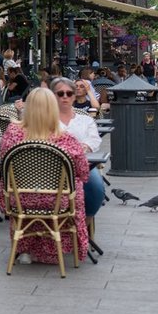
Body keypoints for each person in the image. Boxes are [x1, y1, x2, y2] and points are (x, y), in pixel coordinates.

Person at [0, 88, 90, 266]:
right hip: (57, 201)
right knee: (77, 185)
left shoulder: (12, 133)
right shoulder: (65, 139)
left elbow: (3, 164)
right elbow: (83, 171)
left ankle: (25, 249)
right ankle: (55, 249)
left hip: (20, 199)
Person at [51, 76, 106, 221]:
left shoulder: (85, 120)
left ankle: (84, 223)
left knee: (96, 188)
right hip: (52, 166)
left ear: (74, 96)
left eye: (69, 93)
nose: (65, 97)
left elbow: (95, 139)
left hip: (83, 164)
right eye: (60, 93)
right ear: (53, 96)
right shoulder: (47, 119)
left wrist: (85, 147)